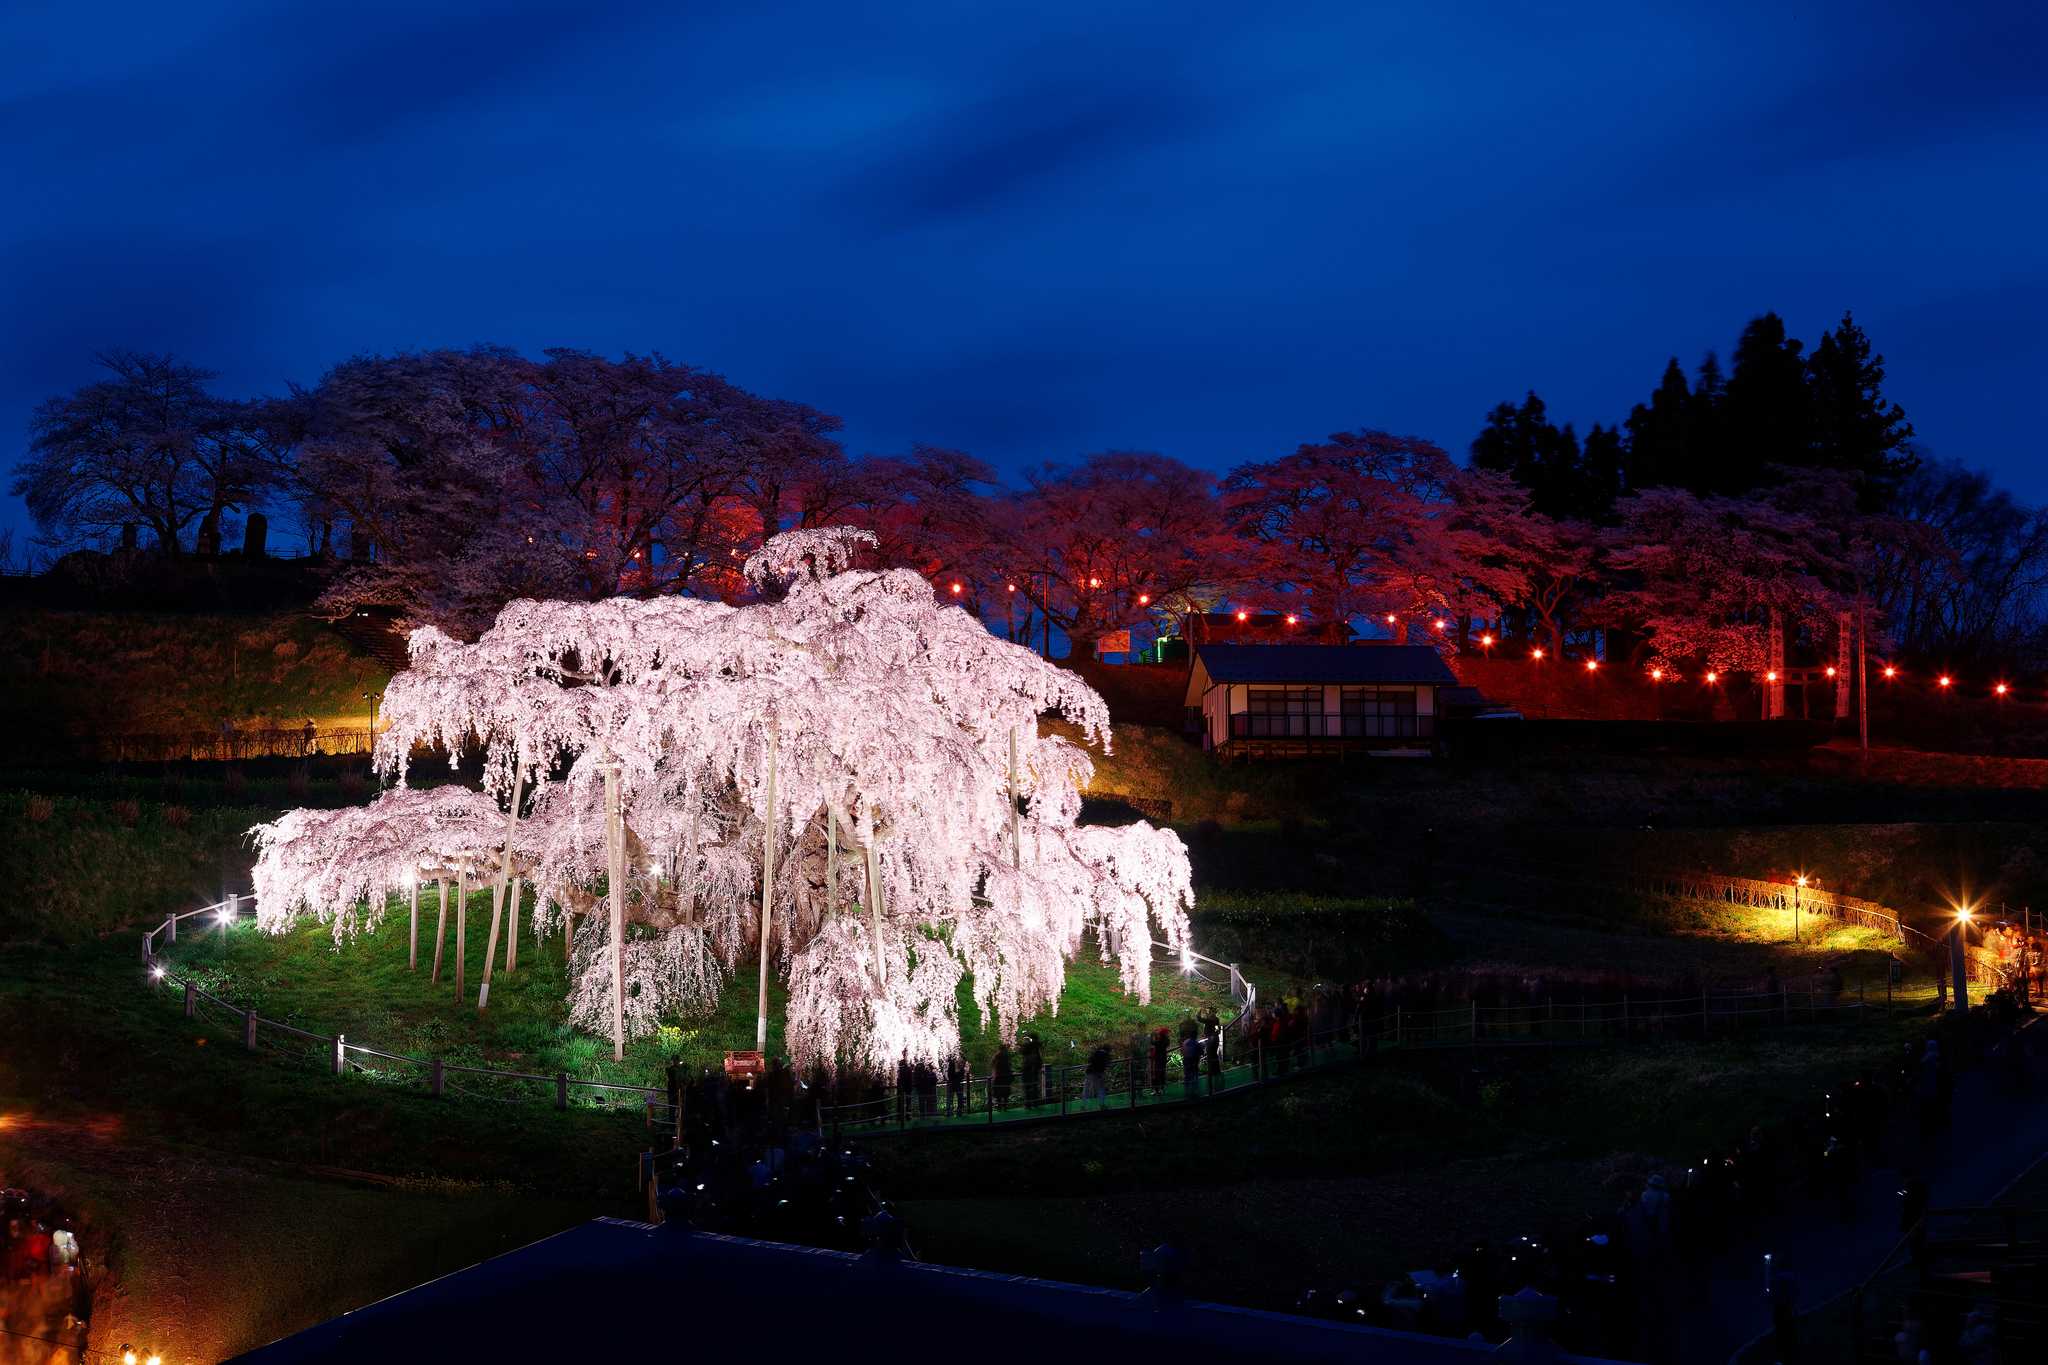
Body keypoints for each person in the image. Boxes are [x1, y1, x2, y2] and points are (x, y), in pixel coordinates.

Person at [1180, 1030, 1202, 1100]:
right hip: (1194, 1061)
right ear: (1195, 1035)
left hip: (1186, 1061)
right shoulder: (1196, 1043)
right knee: (1194, 1076)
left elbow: (1182, 1051)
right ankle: (1194, 1092)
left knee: (1187, 1076)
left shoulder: (1185, 1042)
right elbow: (1201, 1052)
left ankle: (1187, 1092)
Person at [944, 1052, 967, 1117]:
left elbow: (961, 1076)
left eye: (963, 1062)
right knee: (950, 1098)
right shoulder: (952, 1063)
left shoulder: (962, 1067)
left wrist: (958, 1072)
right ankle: (949, 1112)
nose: (962, 1063)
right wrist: (957, 1073)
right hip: (951, 1084)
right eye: (961, 1061)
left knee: (960, 1098)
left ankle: (959, 1112)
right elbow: (950, 1075)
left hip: (958, 1084)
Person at [992, 1043, 1014, 1110]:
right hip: (1006, 1076)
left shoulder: (997, 1055)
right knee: (1005, 1091)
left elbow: (992, 1063)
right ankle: (1005, 1105)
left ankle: (999, 1106)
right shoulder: (1007, 1056)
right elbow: (1010, 1065)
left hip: (999, 1076)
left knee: (998, 1091)